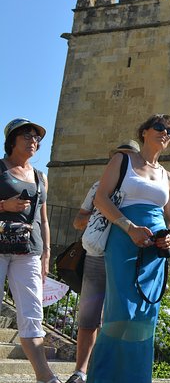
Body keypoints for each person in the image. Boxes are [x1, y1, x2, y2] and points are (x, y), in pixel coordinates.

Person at [87, 114, 170, 382]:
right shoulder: (122, 161)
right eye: (159, 127)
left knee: (146, 315)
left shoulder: (169, 177)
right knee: (121, 311)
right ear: (145, 131)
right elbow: (101, 199)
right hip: (123, 240)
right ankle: (102, 377)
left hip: (155, 250)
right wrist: (129, 228)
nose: (165, 133)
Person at [66, 140, 140, 383]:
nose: (123, 162)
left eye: (129, 157)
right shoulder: (98, 187)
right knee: (89, 318)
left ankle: (108, 370)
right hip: (96, 257)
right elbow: (78, 220)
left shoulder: (141, 189)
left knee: (118, 318)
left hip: (125, 259)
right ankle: (80, 371)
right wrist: (100, 211)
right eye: (120, 157)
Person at [0, 118, 62, 383]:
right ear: (12, 139)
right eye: (27, 136)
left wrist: (46, 253)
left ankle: (44, 376)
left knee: (33, 312)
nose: (33, 141)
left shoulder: (40, 177)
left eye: (37, 138)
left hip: (29, 250)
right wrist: (4, 205)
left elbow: (44, 219)